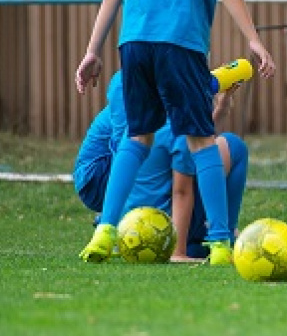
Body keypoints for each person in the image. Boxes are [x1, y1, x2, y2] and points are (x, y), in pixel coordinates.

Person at [75, 0, 274, 265]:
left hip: (134, 44)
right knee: (202, 140)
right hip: (179, 44)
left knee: (136, 137)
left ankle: (105, 231)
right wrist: (254, 39)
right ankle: (221, 243)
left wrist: (92, 51)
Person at [74, 72, 248, 261]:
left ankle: (111, 226)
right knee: (232, 146)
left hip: (131, 217)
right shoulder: (176, 124)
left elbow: (194, 144)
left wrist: (220, 108)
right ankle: (219, 238)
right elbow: (184, 184)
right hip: (101, 180)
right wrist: (178, 252)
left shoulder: (135, 93)